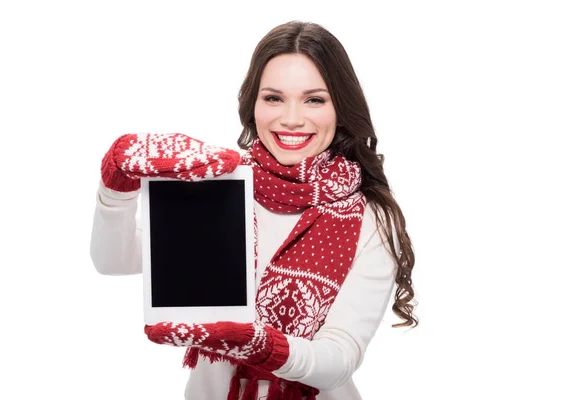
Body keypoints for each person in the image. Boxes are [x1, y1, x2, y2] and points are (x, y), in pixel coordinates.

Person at [90, 20, 418, 400]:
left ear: (340, 107)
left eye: (314, 99)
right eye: (274, 98)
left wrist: (263, 345)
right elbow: (114, 260)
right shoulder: (218, 182)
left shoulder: (371, 217)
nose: (292, 118)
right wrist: (116, 188)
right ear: (253, 104)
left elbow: (340, 356)